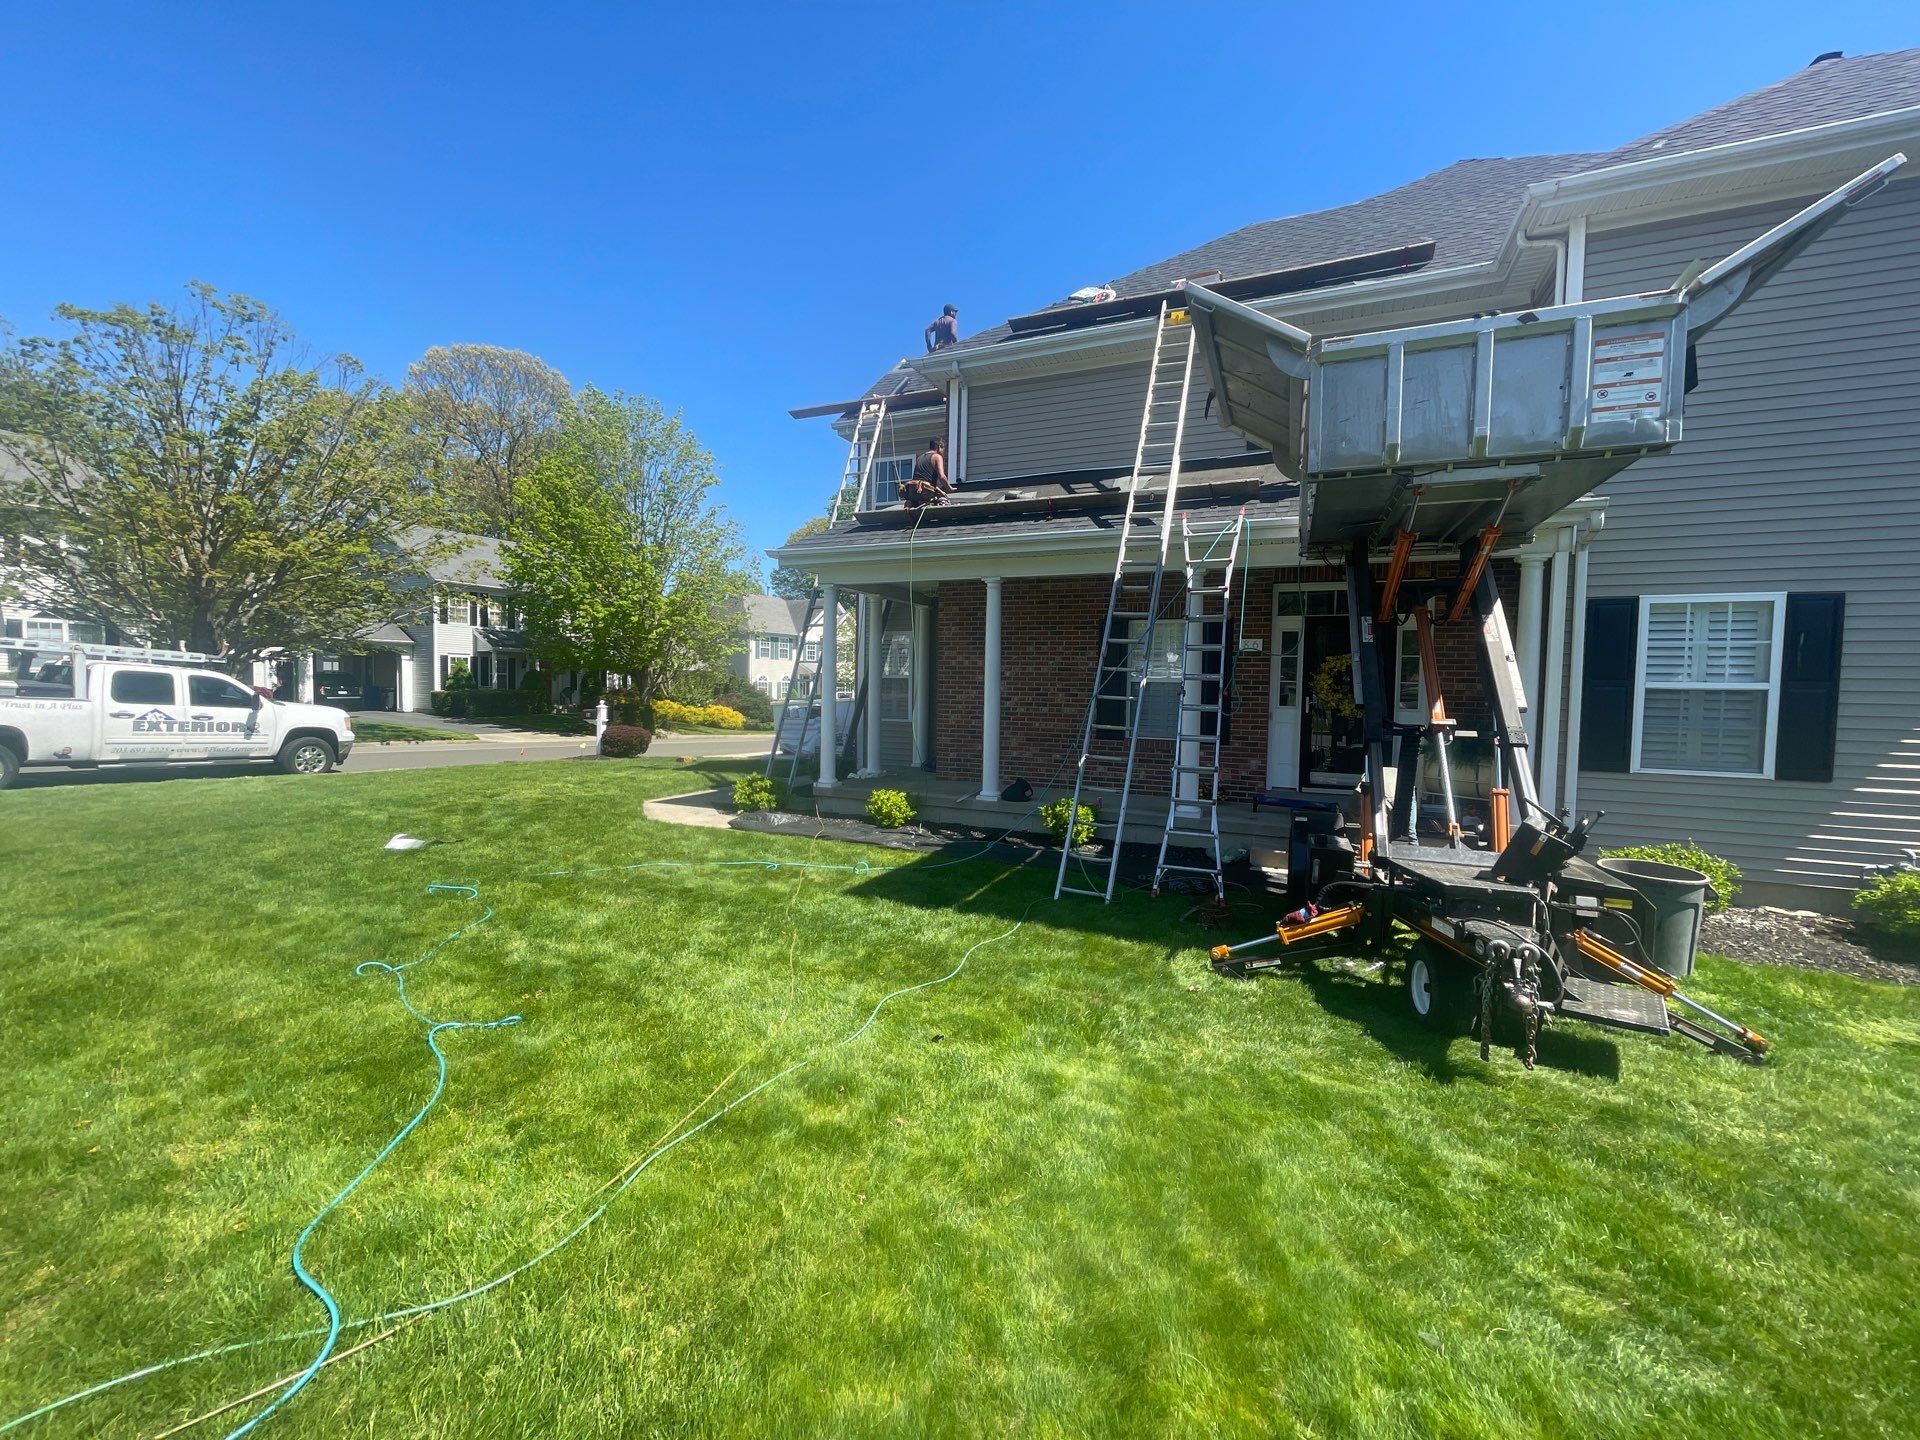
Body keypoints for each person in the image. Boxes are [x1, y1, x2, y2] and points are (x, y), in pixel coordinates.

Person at [900, 437, 952, 509]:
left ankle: (912, 503)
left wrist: (940, 491)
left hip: (912, 491)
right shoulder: (937, 456)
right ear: (939, 446)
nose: (943, 452)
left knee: (918, 501)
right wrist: (949, 488)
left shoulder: (920, 457)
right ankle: (921, 501)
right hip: (925, 492)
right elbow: (942, 477)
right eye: (944, 449)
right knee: (943, 501)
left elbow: (924, 479)